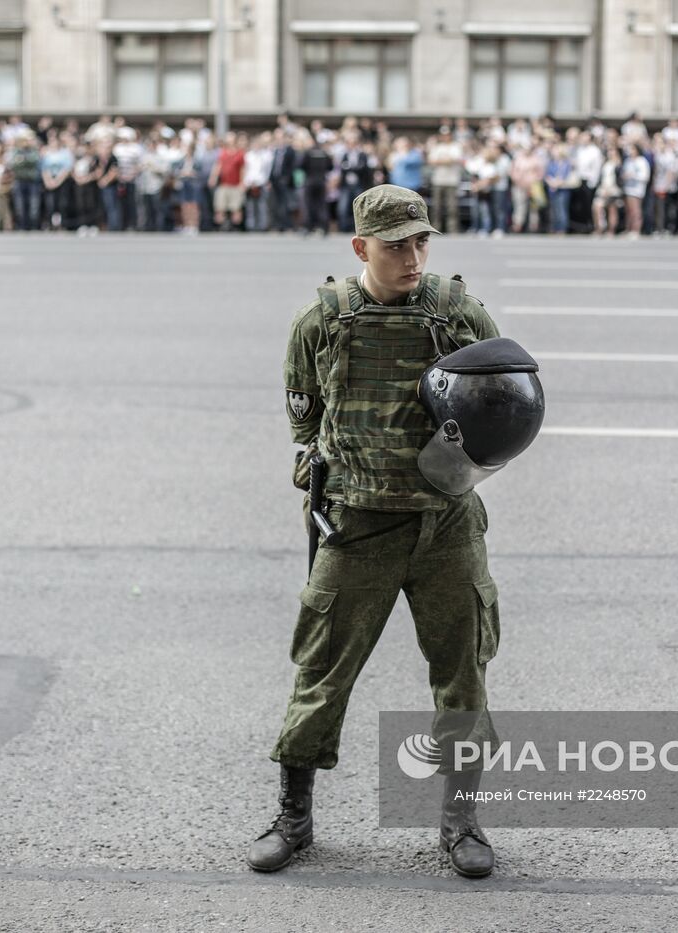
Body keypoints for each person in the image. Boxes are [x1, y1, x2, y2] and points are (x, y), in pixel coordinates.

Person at [249, 184, 517, 880]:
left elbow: (505, 390)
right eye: (397, 245)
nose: (413, 256)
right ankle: (295, 817)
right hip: (358, 527)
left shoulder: (454, 310)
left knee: (463, 676)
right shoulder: (323, 318)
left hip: (444, 525)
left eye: (422, 241)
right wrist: (318, 471)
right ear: (361, 246)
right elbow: (303, 414)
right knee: (320, 673)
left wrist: (468, 462)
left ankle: (461, 823)